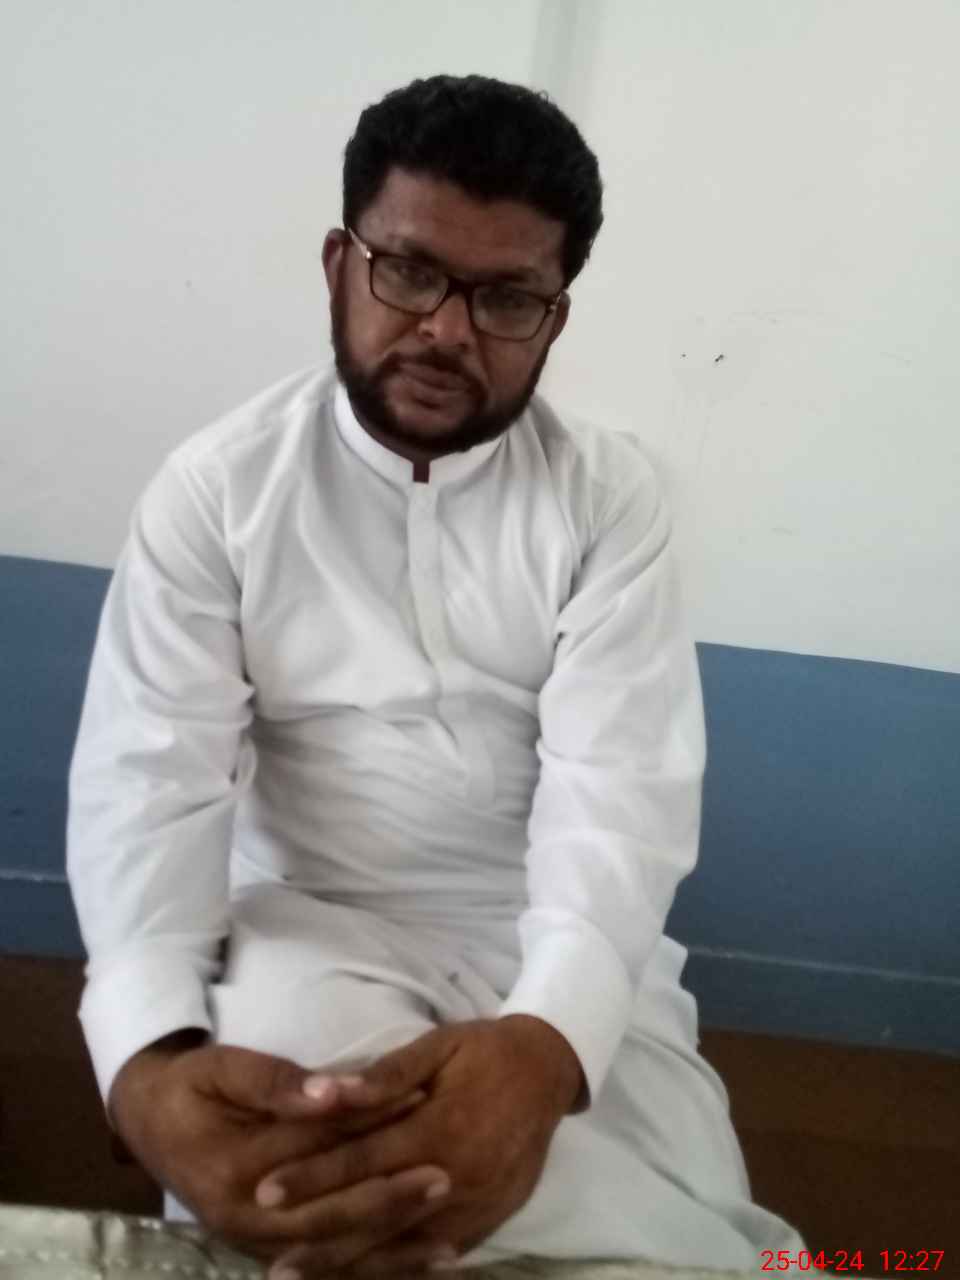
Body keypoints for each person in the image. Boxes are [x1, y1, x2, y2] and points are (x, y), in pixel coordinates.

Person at [67, 74, 806, 1279]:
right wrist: (142, 1058)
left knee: (676, 1211)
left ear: (553, 320)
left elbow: (620, 801)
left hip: (551, 929)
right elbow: (147, 785)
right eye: (408, 271)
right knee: (306, 1131)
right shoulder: (219, 491)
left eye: (506, 296)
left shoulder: (608, 502)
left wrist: (549, 1041)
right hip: (309, 919)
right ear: (339, 267)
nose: (448, 330)